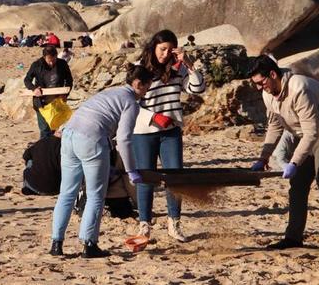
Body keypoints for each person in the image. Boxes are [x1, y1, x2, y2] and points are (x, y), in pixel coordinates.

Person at [49, 64, 153, 258]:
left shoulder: (110, 92)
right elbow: (124, 139)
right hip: (92, 140)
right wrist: (131, 171)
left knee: (67, 193)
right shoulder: (131, 102)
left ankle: (56, 243)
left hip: (69, 135)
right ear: (139, 84)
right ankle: (89, 245)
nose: (147, 91)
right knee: (95, 195)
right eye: (147, 86)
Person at [249, 54, 319, 252]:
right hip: (304, 132)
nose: (260, 88)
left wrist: (294, 162)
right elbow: (275, 125)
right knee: (298, 185)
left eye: (261, 83)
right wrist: (263, 157)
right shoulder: (268, 93)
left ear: (273, 74)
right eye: (256, 84)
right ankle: (293, 237)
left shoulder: (299, 88)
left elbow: (312, 133)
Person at [131, 29, 205, 242]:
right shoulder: (140, 67)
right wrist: (153, 117)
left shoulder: (178, 68)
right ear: (153, 47)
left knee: (175, 178)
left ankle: (174, 223)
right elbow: (131, 101)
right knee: (146, 178)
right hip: (144, 132)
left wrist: (189, 65)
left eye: (169, 50)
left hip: (170, 132)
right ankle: (144, 225)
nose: (165, 54)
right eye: (162, 49)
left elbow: (197, 89)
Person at [24, 46, 73, 140]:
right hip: (41, 102)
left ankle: (52, 146)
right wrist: (34, 89)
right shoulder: (36, 65)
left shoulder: (62, 64)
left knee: (54, 127)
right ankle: (44, 147)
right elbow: (27, 80)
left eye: (54, 60)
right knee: (44, 129)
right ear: (44, 57)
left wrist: (65, 94)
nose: (51, 63)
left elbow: (69, 80)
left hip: (57, 101)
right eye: (49, 60)